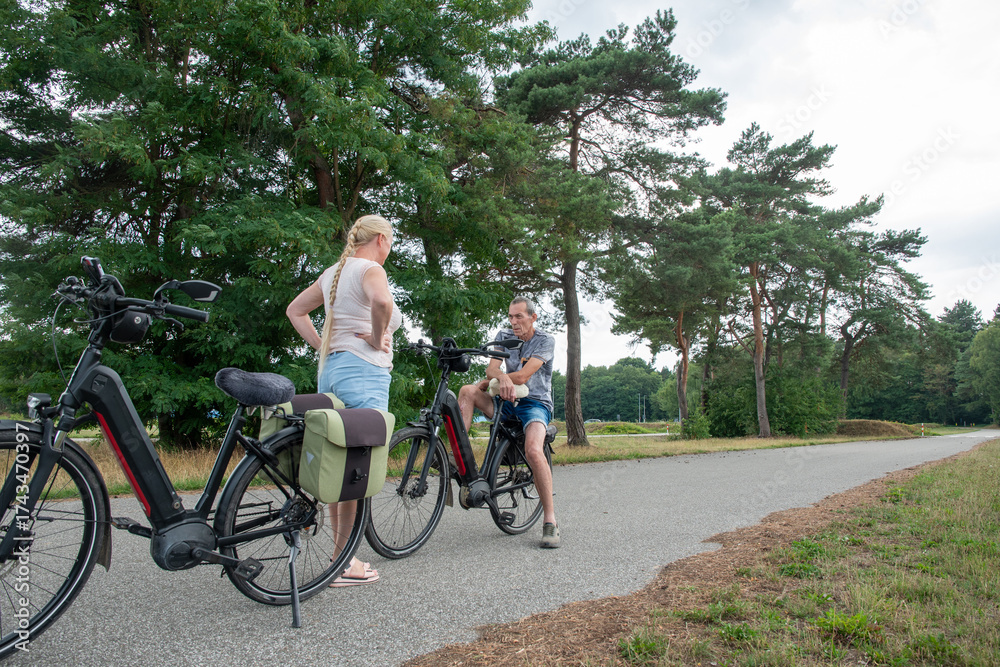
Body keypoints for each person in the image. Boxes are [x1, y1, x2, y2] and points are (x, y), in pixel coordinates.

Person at [286, 214, 402, 585]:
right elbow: (382, 302)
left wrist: (324, 345)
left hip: (331, 371)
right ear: (381, 239)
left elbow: (295, 311)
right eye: (391, 243)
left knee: (339, 465)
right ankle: (342, 561)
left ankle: (340, 558)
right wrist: (375, 339)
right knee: (356, 469)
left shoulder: (333, 273)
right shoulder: (370, 269)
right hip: (364, 373)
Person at [457, 296, 560, 548]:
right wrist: (499, 378)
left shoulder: (545, 340)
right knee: (467, 391)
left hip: (535, 404)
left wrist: (500, 379)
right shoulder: (504, 335)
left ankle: (550, 521)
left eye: (519, 317)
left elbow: (523, 376)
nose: (514, 322)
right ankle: (458, 457)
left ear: (533, 318)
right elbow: (491, 369)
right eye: (511, 317)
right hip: (505, 400)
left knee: (533, 450)